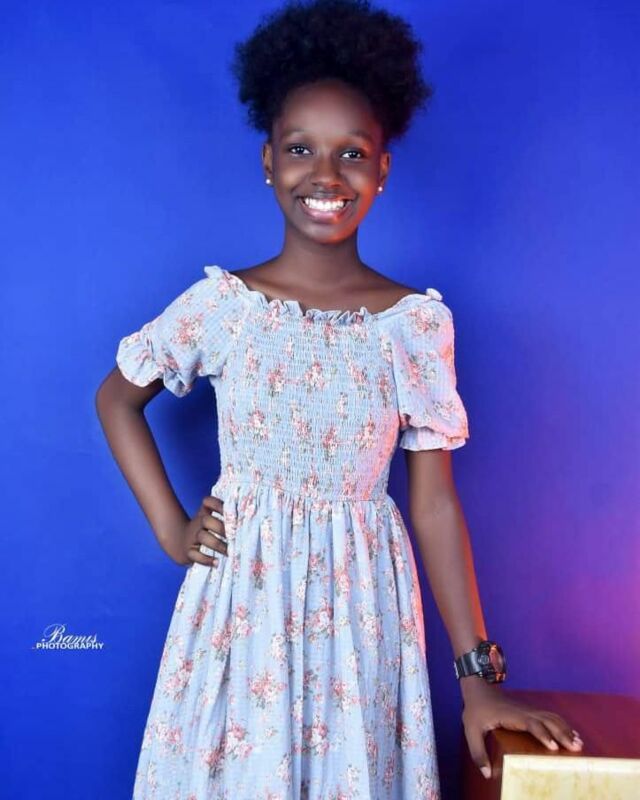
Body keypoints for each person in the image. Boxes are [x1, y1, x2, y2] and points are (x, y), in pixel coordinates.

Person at [96, 0, 583, 797]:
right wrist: (173, 532)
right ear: (268, 161)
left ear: (382, 169)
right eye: (300, 149)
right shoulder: (223, 308)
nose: (325, 176)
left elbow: (433, 505)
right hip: (240, 617)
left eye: (351, 153)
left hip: (361, 627)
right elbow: (116, 399)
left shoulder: (414, 326)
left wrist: (478, 683)